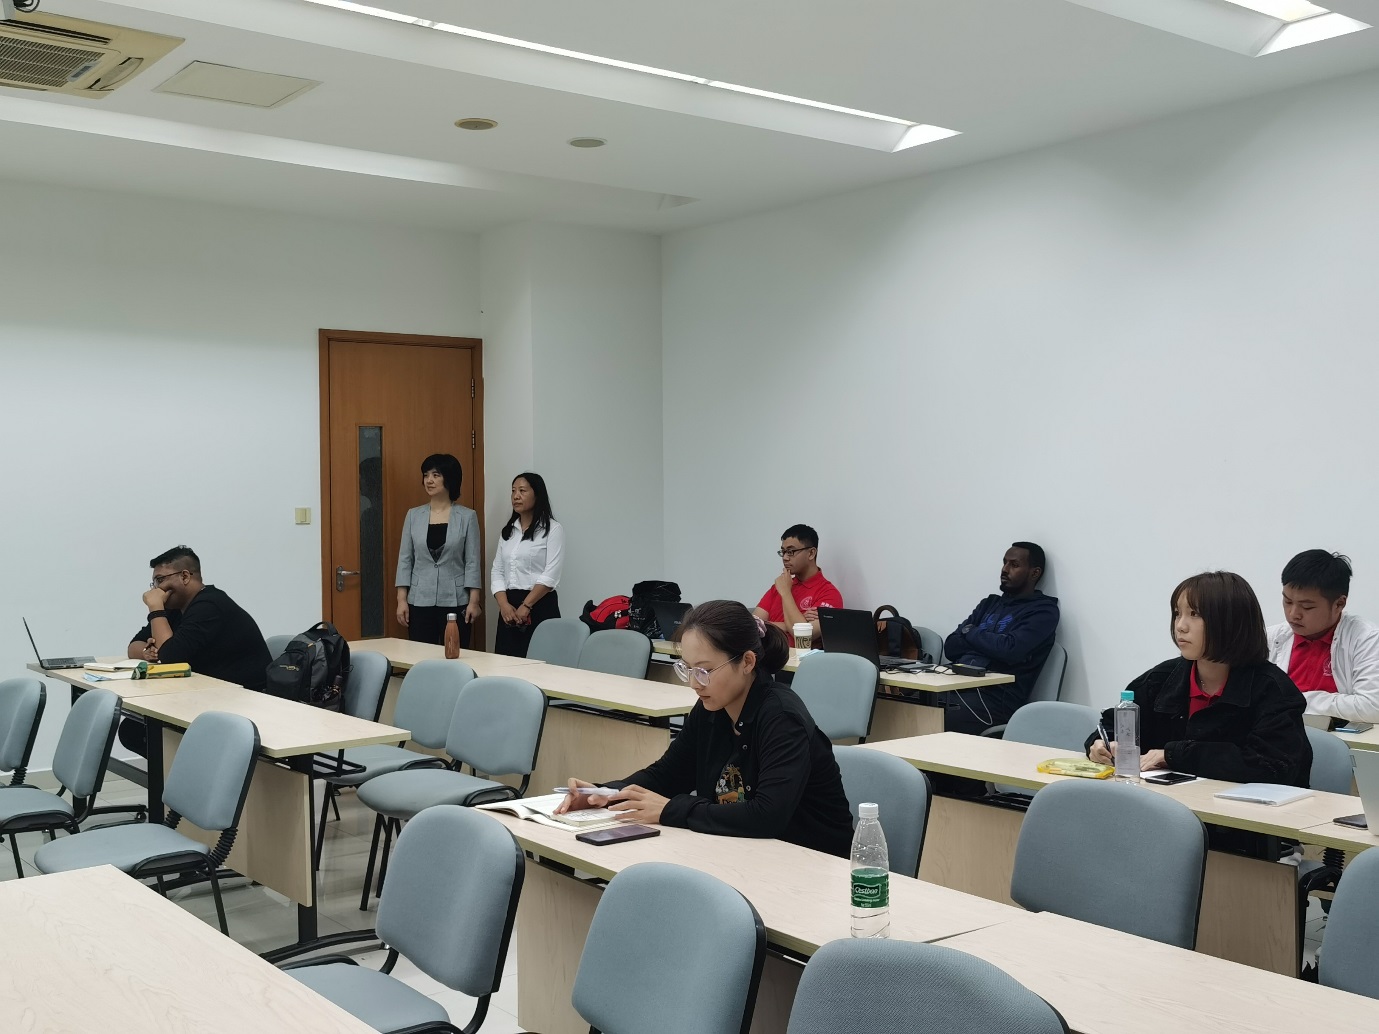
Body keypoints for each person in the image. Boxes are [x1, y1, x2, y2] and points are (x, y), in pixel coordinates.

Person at [555, 600, 855, 856]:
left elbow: (767, 815)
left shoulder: (781, 717)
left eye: (705, 670)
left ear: (747, 662)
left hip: (814, 862)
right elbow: (667, 775)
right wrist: (605, 794)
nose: (694, 683)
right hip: (747, 853)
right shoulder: (711, 707)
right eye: (687, 668)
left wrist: (671, 810)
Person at [1087, 571, 1312, 786]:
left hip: (1246, 811)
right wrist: (1101, 745)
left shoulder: (1273, 690)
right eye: (1177, 613)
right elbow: (1111, 727)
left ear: (1230, 622)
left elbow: (1271, 766)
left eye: (1194, 614)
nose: (1180, 626)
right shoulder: (1161, 679)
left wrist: (1174, 755)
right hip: (1172, 803)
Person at [120, 546, 271, 755]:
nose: (156, 590)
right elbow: (133, 646)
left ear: (184, 576)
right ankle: (181, 772)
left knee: (140, 731)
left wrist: (155, 608)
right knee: (133, 729)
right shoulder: (175, 609)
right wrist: (148, 652)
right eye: (154, 583)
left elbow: (170, 657)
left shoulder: (210, 605)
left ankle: (193, 771)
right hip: (207, 696)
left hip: (243, 701)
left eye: (160, 580)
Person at [942, 542, 1060, 734]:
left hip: (995, 699)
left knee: (937, 716)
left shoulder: (1044, 611)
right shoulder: (989, 604)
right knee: (909, 702)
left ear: (1034, 573)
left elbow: (1009, 650)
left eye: (1014, 565)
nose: (1005, 569)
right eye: (1004, 562)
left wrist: (970, 632)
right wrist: (990, 642)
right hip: (958, 685)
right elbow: (951, 647)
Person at [1267, 550, 1379, 724]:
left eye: (1307, 607)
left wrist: (1295, 700)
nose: (1293, 614)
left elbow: (1373, 706)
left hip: (1340, 738)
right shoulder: (1270, 638)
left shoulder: (1367, 639)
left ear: (1339, 604)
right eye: (1287, 601)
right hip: (1278, 734)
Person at [395, 453, 482, 648]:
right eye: (426, 475)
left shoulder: (467, 517)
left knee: (455, 655)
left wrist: (474, 601)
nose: (429, 480)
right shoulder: (413, 515)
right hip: (419, 599)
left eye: (436, 475)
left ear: (449, 478)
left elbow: (472, 561)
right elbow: (405, 559)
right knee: (420, 655)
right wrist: (401, 600)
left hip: (456, 599)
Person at [491, 472, 564, 657]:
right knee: (506, 664)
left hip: (540, 604)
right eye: (513, 491)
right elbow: (497, 571)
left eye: (522, 491)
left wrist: (527, 605)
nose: (516, 496)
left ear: (537, 494)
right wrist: (503, 605)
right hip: (509, 608)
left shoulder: (552, 529)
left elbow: (551, 574)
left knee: (541, 664)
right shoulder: (508, 531)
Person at [752, 524, 843, 642]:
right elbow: (752, 626)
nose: (785, 558)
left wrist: (786, 593)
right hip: (766, 651)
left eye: (791, 551)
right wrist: (794, 623)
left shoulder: (829, 593)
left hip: (798, 654)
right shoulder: (779, 586)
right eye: (783, 552)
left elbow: (803, 636)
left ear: (811, 553)